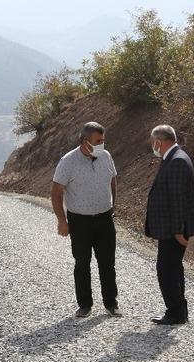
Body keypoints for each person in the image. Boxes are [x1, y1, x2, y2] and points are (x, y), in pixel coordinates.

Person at [51, 122, 121, 318]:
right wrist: (62, 220)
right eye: (98, 141)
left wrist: (112, 206)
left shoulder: (106, 156)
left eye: (103, 141)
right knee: (82, 262)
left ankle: (111, 303)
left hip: (105, 218)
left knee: (107, 262)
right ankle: (84, 304)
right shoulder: (68, 161)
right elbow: (56, 192)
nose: (102, 145)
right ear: (85, 142)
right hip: (79, 221)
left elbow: (113, 181)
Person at [144, 125, 194, 325]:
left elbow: (177, 200)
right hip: (170, 227)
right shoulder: (173, 157)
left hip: (173, 229)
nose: (153, 146)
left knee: (166, 270)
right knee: (173, 268)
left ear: (159, 141)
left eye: (153, 142)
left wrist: (177, 231)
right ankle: (178, 310)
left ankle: (175, 311)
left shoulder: (176, 160)